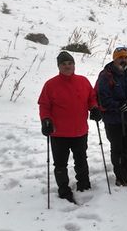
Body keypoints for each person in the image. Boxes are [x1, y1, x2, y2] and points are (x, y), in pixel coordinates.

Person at [38, 51, 100, 204]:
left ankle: (84, 184)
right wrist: (46, 120)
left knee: (81, 160)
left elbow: (91, 98)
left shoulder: (83, 81)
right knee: (60, 163)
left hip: (80, 131)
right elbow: (44, 105)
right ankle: (64, 190)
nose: (67, 66)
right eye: (64, 64)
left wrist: (94, 108)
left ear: (74, 65)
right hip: (59, 133)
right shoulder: (50, 84)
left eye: (70, 63)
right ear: (59, 66)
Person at [95, 46, 127, 186]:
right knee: (116, 147)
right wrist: (118, 106)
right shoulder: (105, 75)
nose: (123, 60)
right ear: (115, 59)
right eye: (120, 58)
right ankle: (119, 175)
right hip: (113, 119)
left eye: (126, 58)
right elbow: (103, 97)